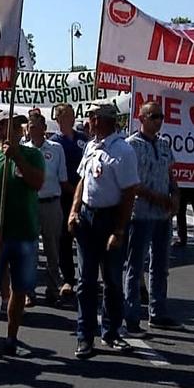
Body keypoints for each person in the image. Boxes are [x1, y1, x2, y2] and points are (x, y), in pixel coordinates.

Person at [0, 111, 45, 360]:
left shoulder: (33, 154)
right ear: (0, 130)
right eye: (10, 126)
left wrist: (18, 159)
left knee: (20, 288)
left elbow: (37, 183)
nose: (16, 130)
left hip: (25, 235)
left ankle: (12, 338)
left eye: (18, 126)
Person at [68, 103, 139, 358]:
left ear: (101, 120)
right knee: (85, 282)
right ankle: (84, 336)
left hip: (110, 217)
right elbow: (82, 181)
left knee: (111, 281)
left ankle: (111, 332)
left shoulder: (122, 151)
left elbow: (129, 193)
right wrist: (74, 210)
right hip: (87, 217)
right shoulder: (91, 146)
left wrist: (119, 229)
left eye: (91, 117)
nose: (88, 121)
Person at [124, 101, 181, 332]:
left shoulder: (165, 144)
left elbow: (170, 174)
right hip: (140, 213)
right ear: (142, 118)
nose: (159, 121)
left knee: (160, 265)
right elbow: (131, 182)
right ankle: (131, 315)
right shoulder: (131, 146)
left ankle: (158, 311)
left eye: (161, 117)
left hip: (163, 215)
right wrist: (156, 197)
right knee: (135, 266)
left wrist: (175, 194)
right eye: (154, 116)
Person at [22, 112, 68, 305]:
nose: (31, 130)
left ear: (44, 129)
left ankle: (53, 288)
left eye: (34, 126)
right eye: (29, 127)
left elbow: (62, 178)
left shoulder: (56, 149)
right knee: (30, 251)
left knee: (52, 250)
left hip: (51, 203)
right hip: (30, 204)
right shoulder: (23, 149)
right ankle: (28, 291)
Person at [50, 103, 89, 301]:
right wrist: (74, 193)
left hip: (85, 196)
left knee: (86, 238)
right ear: (58, 119)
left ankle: (86, 277)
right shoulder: (54, 142)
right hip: (65, 196)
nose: (70, 119)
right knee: (65, 239)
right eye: (65, 116)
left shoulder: (83, 139)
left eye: (72, 115)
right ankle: (68, 278)